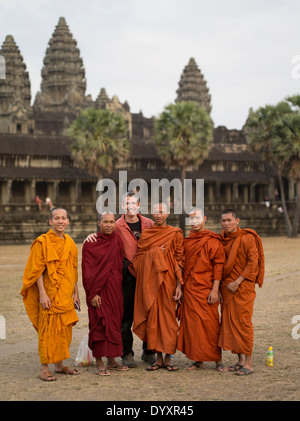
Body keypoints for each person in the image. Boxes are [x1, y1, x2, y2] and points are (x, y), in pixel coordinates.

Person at [85, 191, 155, 368]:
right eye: (127, 204)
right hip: (127, 275)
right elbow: (103, 238)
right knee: (125, 316)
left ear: (138, 205)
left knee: (150, 312)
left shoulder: (149, 224)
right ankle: (126, 353)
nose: (130, 207)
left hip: (148, 274)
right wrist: (90, 236)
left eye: (134, 203)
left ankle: (149, 351)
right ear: (123, 206)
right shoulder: (116, 225)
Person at [20, 207, 80, 381]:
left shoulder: (70, 242)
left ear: (68, 221)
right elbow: (37, 270)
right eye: (56, 218)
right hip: (49, 294)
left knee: (64, 330)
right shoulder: (42, 242)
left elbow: (73, 270)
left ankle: (59, 364)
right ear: (50, 221)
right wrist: (42, 294)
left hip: (66, 294)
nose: (60, 221)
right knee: (47, 331)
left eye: (63, 218)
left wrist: (76, 294)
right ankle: (44, 367)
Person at [133, 202, 184, 371]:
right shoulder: (147, 234)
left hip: (169, 282)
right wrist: (154, 252)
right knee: (154, 319)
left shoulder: (175, 233)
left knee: (168, 321)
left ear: (168, 214)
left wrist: (179, 285)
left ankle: (168, 357)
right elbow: (138, 261)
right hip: (152, 283)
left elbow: (179, 259)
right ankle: (158, 358)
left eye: (162, 212)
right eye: (156, 212)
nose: (159, 215)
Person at [177, 208, 227, 372]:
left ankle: (217, 359)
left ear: (204, 218)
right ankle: (197, 359)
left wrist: (215, 290)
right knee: (193, 326)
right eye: (191, 219)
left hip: (207, 289)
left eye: (197, 217)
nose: (194, 221)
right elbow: (181, 264)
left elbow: (218, 266)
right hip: (190, 289)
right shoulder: (187, 241)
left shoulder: (213, 240)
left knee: (211, 324)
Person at [218, 209, 265, 376]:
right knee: (231, 324)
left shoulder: (248, 237)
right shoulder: (222, 239)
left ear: (237, 221)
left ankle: (249, 363)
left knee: (243, 324)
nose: (226, 223)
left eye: (229, 220)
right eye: (223, 221)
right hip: (226, 288)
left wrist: (237, 282)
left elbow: (253, 262)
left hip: (242, 287)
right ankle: (240, 360)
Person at [82, 212, 128, 376]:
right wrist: (93, 293)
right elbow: (87, 270)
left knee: (114, 323)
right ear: (99, 223)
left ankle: (112, 359)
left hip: (115, 289)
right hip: (98, 292)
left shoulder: (117, 240)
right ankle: (99, 361)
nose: (109, 225)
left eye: (111, 222)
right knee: (99, 324)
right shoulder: (91, 243)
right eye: (105, 222)